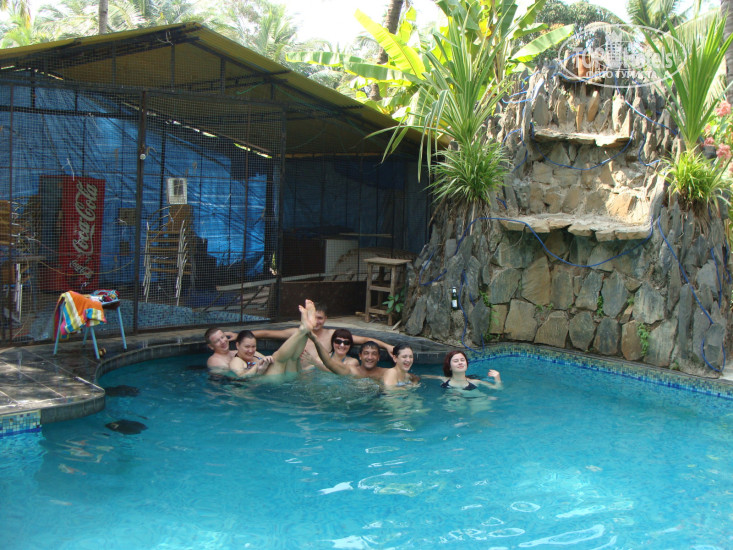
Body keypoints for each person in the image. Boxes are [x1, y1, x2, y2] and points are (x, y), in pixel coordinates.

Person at [252, 302, 394, 371]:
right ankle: (304, 329)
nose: (316, 322)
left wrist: (387, 346)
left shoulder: (333, 335)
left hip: (316, 375)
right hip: (295, 372)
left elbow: (364, 340)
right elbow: (267, 333)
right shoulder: (294, 332)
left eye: (319, 318)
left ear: (325, 319)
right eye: (313, 318)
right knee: (284, 356)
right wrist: (241, 336)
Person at [205, 300, 315, 378]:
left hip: (273, 375)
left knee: (292, 358)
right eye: (217, 340)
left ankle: (306, 328)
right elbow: (235, 377)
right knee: (278, 357)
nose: (223, 341)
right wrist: (256, 368)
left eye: (223, 337)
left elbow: (267, 360)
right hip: (259, 380)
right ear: (211, 346)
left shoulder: (236, 353)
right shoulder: (218, 360)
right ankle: (302, 329)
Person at [422, 350, 503, 390]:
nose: (460, 363)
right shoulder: (443, 379)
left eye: (462, 360)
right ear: (449, 367)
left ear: (466, 364)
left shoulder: (475, 382)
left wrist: (497, 378)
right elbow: (422, 376)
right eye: (456, 361)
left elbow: (498, 388)